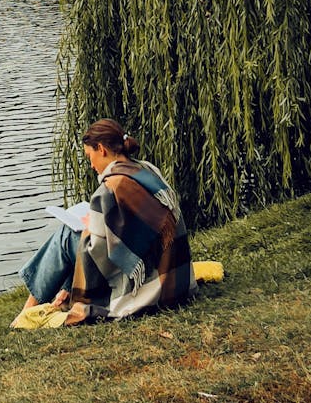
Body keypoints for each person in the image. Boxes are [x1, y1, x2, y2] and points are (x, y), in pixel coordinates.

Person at [15, 118, 197, 326]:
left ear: (101, 149)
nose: (91, 164)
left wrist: (89, 227)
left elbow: (98, 254)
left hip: (150, 288)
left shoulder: (112, 187)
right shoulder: (146, 169)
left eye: (90, 156)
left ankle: (28, 310)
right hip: (175, 281)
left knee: (68, 236)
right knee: (78, 236)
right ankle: (63, 294)